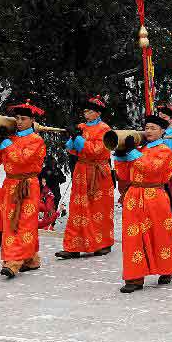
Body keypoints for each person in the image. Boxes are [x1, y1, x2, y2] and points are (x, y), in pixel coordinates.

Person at [112, 114, 172, 293]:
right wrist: (121, 157)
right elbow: (124, 174)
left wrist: (132, 152)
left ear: (162, 131)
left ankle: (166, 268)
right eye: (147, 127)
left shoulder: (165, 151)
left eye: (153, 128)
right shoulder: (139, 149)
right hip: (134, 196)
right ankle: (134, 277)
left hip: (155, 196)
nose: (149, 131)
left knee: (160, 235)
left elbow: (151, 168)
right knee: (133, 237)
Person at [0, 100, 47, 278]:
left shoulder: (36, 140)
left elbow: (21, 159)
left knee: (24, 223)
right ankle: (30, 259)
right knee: (10, 223)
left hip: (28, 185)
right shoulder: (11, 138)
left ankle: (13, 262)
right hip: (10, 185)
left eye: (23, 118)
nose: (19, 121)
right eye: (17, 118)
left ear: (32, 120)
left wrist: (5, 142)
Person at [57, 95, 115, 259]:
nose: (86, 113)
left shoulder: (105, 129)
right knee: (78, 207)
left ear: (97, 113)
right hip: (82, 171)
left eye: (89, 111)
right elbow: (71, 150)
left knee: (99, 208)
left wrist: (78, 138)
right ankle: (73, 245)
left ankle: (102, 243)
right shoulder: (81, 126)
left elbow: (97, 150)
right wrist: (72, 138)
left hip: (99, 172)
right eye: (85, 111)